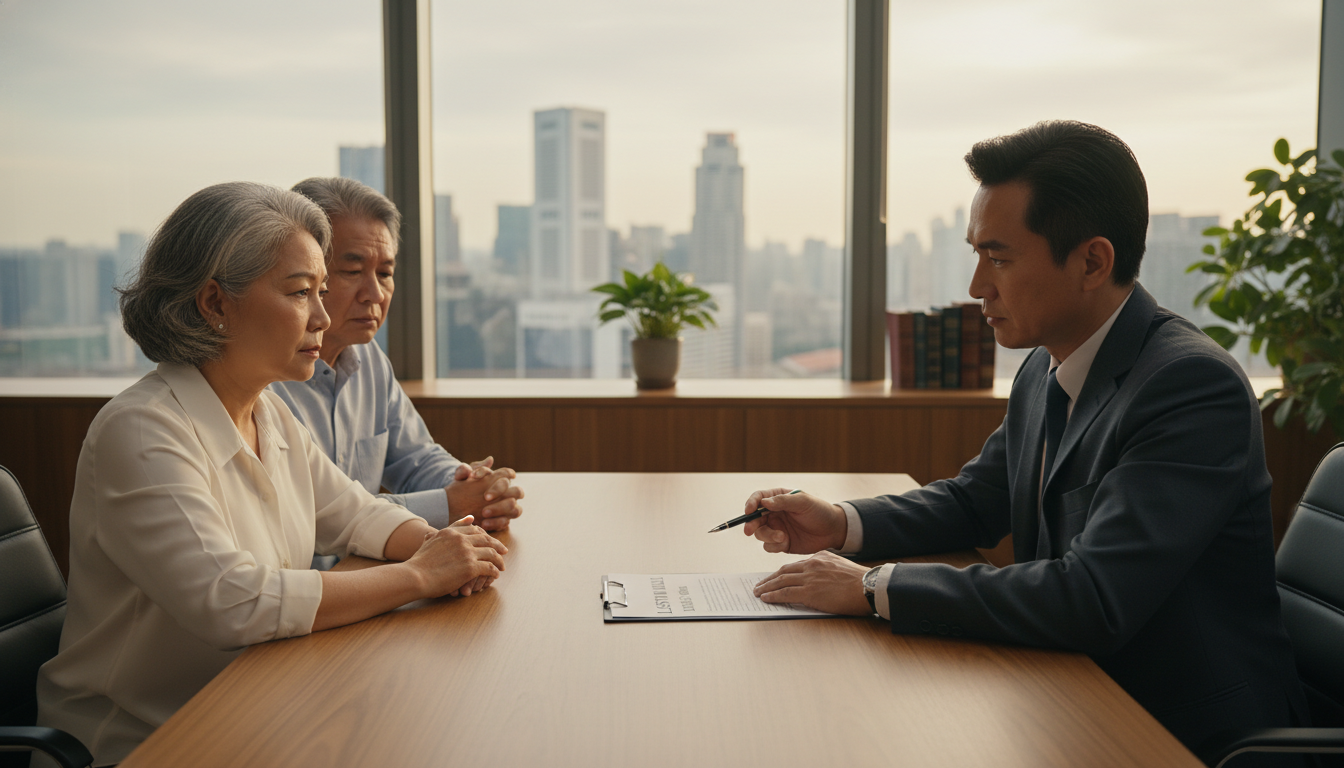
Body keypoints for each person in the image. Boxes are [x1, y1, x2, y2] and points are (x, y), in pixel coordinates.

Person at [744, 121, 1308, 760]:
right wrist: (841, 524)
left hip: (1178, 730)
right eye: (977, 255)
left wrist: (873, 587)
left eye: (1000, 258)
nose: (978, 286)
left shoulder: (1189, 386)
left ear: (1092, 261)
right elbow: (974, 501)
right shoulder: (1046, 365)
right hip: (1069, 692)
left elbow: (1093, 597)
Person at [36, 182, 508, 766]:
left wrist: (444, 547)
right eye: (301, 292)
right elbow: (231, 600)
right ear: (215, 303)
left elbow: (355, 513)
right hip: (144, 742)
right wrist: (419, 577)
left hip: (256, 707)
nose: (323, 314)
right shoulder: (141, 431)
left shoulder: (267, 408)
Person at [269, 177, 523, 542]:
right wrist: (445, 505)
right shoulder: (264, 378)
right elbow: (315, 517)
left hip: (379, 573)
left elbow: (416, 457)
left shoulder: (369, 359)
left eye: (385, 273)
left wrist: (475, 489)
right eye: (352, 271)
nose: (375, 294)